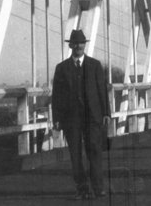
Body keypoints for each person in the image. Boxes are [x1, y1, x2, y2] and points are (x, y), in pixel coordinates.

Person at [52, 29, 111, 200]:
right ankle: (82, 188)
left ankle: (98, 187)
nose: (79, 46)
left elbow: (102, 90)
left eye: (81, 43)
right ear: (70, 45)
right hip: (71, 118)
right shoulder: (62, 68)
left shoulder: (95, 65)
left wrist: (106, 112)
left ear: (85, 45)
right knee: (75, 154)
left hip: (92, 116)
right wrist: (56, 118)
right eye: (76, 43)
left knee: (94, 151)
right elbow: (57, 95)